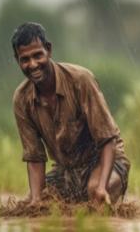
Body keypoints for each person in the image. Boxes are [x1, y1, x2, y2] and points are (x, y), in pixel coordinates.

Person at [12, 22, 130, 205]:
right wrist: (36, 199)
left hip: (103, 161)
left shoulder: (80, 80)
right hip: (66, 170)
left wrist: (101, 187)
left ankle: (108, 191)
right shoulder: (21, 99)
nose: (33, 64)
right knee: (31, 203)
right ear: (17, 60)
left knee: (95, 192)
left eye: (37, 55)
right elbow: (35, 156)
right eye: (25, 59)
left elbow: (108, 140)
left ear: (48, 50)